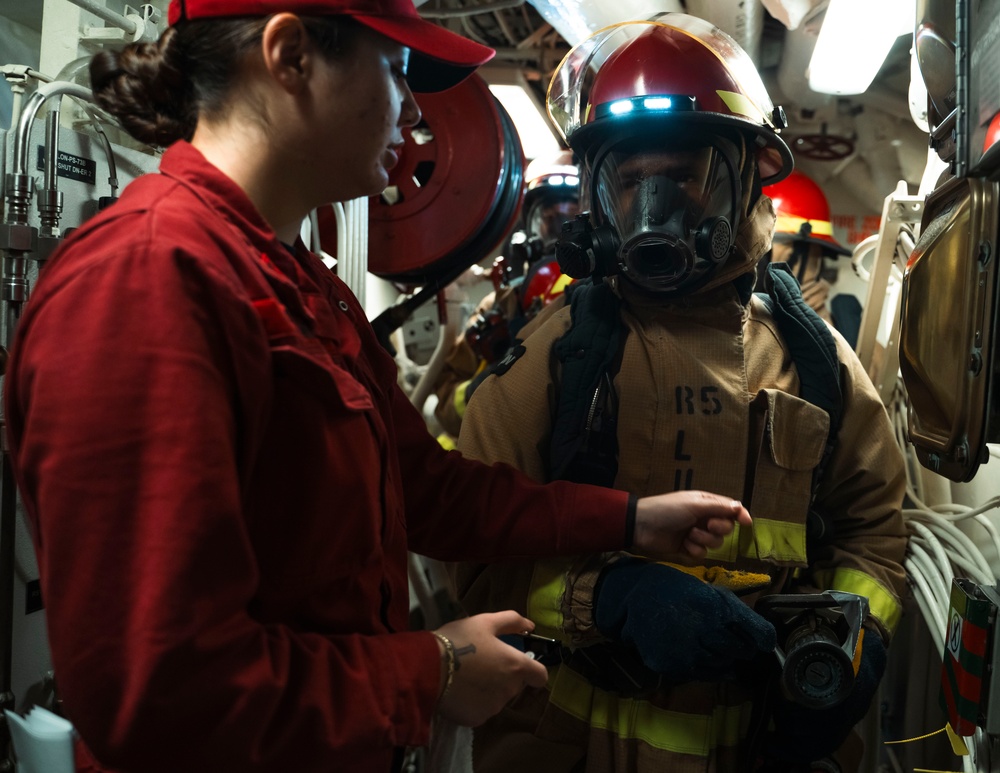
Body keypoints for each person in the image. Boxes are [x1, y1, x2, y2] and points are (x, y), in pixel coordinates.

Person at [1, 3, 764, 772]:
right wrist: (432, 672)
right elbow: (155, 690)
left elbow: (427, 489)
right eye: (397, 71)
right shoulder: (149, 279)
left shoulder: (297, 283)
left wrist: (630, 519)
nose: (411, 110)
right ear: (291, 55)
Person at [453, 15, 908, 773]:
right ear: (600, 192)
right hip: (575, 747)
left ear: (743, 173)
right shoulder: (559, 358)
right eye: (631, 182)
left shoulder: (814, 361)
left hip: (766, 746)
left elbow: (875, 531)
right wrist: (606, 598)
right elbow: (467, 550)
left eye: (684, 177)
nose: (654, 209)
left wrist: (856, 641)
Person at [432, 150, 580, 441]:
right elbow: (446, 407)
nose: (555, 218)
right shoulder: (499, 306)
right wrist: (478, 390)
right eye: (547, 216)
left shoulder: (605, 300)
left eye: (569, 219)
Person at [759, 168, 863, 347]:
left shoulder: (846, 324)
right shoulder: (735, 323)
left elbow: (876, 367)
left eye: (818, 258)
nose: (816, 271)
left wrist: (825, 325)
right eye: (815, 257)